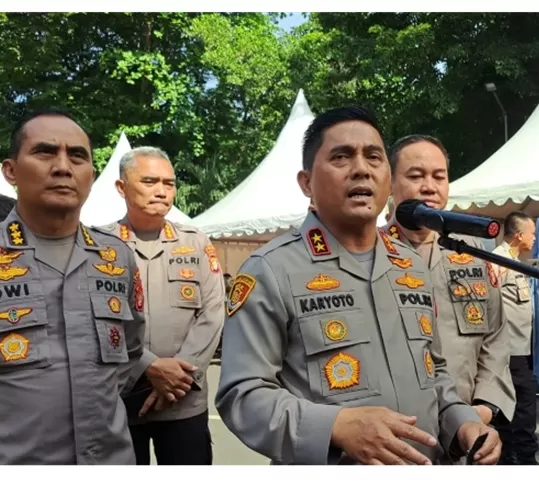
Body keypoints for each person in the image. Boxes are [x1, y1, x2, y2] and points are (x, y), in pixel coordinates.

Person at [215, 106, 501, 465]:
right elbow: (242, 394)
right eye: (341, 157)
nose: (361, 169)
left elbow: (435, 371)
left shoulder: (408, 264)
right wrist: (334, 425)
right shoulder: (271, 269)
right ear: (306, 183)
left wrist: (464, 422)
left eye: (373, 157)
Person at [0, 109, 145, 464]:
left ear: (91, 176)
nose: (63, 167)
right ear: (11, 171)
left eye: (77, 156)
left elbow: (131, 352)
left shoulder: (116, 257)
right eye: (45, 152)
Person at [384, 135, 515, 459]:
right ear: (389, 183)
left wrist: (483, 408)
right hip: (395, 436)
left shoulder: (472, 257)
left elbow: (496, 338)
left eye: (439, 176)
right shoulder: (369, 254)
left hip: (465, 434)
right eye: (416, 176)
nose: (429, 186)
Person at [98, 146, 225, 465]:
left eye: (169, 183)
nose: (161, 191)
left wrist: (180, 375)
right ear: (121, 187)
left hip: (185, 400)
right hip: (123, 399)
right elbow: (98, 320)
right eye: (150, 181)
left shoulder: (195, 241)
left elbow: (213, 312)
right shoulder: (101, 247)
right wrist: (149, 366)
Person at [491, 212, 539, 465]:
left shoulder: (514, 261)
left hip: (520, 347)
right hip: (508, 349)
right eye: (532, 233)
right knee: (522, 403)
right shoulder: (498, 261)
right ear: (519, 235)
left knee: (516, 402)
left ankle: (511, 454)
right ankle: (521, 456)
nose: (534, 238)